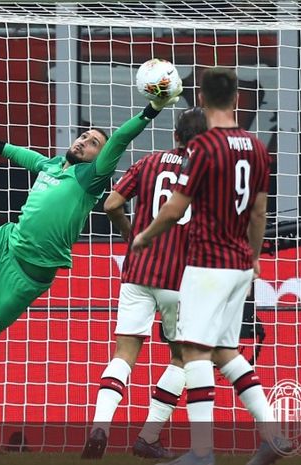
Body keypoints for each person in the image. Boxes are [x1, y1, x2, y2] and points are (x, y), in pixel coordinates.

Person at [0, 81, 183, 430]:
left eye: (92, 143)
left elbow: (119, 140)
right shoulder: (55, 165)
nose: (84, 142)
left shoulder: (92, 178)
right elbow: (30, 158)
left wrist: (151, 110)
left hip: (24, 279)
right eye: (84, 137)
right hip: (2, 242)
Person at [132, 68, 290, 465]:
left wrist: (145, 236)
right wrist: (253, 259)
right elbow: (258, 213)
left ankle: (202, 452)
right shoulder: (256, 147)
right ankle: (272, 435)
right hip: (239, 265)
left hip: (207, 264)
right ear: (237, 99)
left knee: (194, 352)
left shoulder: (204, 147)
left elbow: (175, 207)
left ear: (200, 98)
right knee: (225, 351)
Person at [81, 108, 208, 460]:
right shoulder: (207, 174)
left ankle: (101, 426)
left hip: (137, 272)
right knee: (183, 357)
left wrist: (129, 232)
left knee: (124, 353)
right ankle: (148, 436)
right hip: (179, 278)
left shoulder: (149, 162)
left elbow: (111, 203)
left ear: (176, 136)